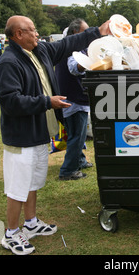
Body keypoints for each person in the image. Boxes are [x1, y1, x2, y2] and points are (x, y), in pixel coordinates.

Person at [0, 15, 111, 255]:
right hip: (21, 136)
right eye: (32, 30)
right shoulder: (8, 62)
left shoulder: (40, 51)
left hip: (39, 133)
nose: (37, 34)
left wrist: (98, 31)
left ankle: (31, 222)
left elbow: (68, 43)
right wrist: (47, 102)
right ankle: (11, 233)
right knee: (18, 187)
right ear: (18, 35)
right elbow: (10, 101)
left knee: (33, 182)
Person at [56, 18, 93, 181]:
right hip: (74, 98)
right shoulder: (73, 49)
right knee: (77, 135)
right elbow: (74, 68)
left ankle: (80, 160)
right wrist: (91, 61)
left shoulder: (67, 46)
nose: (87, 35)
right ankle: (68, 170)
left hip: (70, 96)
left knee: (77, 133)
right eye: (84, 32)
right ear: (75, 33)